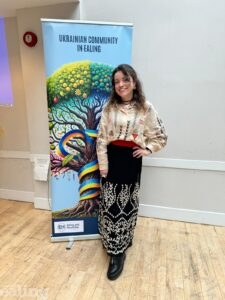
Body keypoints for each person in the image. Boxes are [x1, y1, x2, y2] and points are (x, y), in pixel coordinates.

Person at [96, 64, 167, 280]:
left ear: (134, 82)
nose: (121, 85)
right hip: (111, 159)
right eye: (116, 82)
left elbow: (160, 137)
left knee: (126, 205)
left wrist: (147, 149)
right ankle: (111, 243)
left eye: (124, 80)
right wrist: (103, 166)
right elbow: (100, 139)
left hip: (131, 161)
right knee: (109, 205)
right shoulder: (109, 108)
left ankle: (119, 252)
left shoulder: (146, 107)